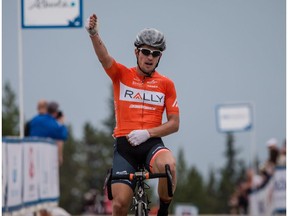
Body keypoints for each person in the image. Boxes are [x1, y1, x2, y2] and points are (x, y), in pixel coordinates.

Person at [86, 14, 180, 216]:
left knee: (169, 167)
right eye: (145, 52)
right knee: (119, 205)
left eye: (155, 54)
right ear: (136, 52)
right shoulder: (121, 74)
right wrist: (94, 34)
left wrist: (148, 133)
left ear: (159, 57)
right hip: (125, 146)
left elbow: (174, 124)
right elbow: (104, 58)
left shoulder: (166, 84)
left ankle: (163, 212)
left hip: (151, 143)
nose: (149, 57)